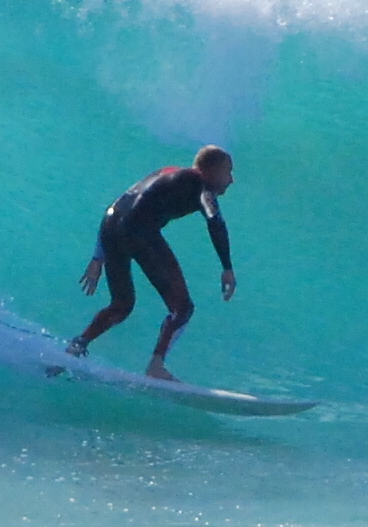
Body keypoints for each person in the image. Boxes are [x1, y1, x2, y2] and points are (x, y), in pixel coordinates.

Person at [53, 145, 237, 382]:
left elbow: (118, 204)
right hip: (139, 233)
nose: (231, 179)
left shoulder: (166, 171)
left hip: (112, 228)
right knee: (183, 308)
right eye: (228, 172)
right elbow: (215, 221)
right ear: (210, 170)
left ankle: (76, 347)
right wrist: (227, 268)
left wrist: (98, 256)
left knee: (122, 304)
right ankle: (156, 366)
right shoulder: (200, 185)